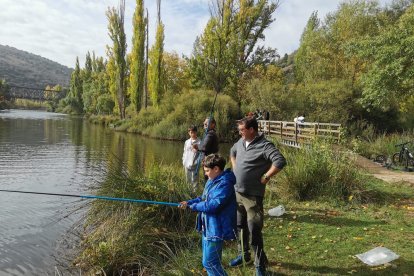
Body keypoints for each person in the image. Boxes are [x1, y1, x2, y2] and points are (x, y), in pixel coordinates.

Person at [229, 116, 286, 276]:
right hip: (237, 193)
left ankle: (259, 266)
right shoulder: (240, 143)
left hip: (253, 196)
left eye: (242, 130)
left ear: (252, 130)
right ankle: (243, 254)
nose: (239, 133)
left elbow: (280, 160)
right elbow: (232, 151)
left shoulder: (264, 145)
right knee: (240, 227)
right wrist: (235, 166)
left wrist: (267, 176)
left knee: (254, 229)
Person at [179, 154, 237, 276]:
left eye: (207, 171)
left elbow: (213, 205)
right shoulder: (212, 180)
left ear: (216, 169)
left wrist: (193, 207)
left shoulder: (225, 184)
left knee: (210, 263)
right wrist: (189, 202)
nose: (205, 174)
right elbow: (203, 198)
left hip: (216, 229)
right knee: (209, 263)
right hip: (208, 227)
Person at [182, 125, 201, 191]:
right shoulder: (187, 142)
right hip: (186, 164)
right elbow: (184, 152)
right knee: (188, 180)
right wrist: (183, 161)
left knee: (194, 181)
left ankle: (195, 195)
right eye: (190, 132)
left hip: (194, 165)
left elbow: (201, 154)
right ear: (189, 133)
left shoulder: (199, 142)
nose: (192, 134)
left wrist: (196, 162)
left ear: (196, 132)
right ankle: (188, 193)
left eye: (193, 132)